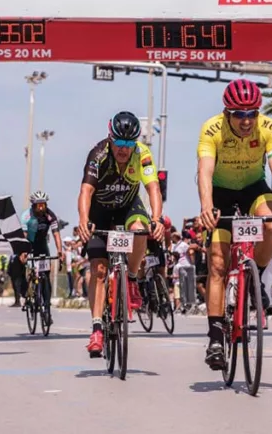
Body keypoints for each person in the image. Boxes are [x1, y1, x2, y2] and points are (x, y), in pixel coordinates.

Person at [196, 79, 272, 370]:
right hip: (220, 193)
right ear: (226, 113)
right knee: (218, 264)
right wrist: (206, 207)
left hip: (254, 188)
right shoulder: (212, 129)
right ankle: (215, 338)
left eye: (252, 113)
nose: (246, 120)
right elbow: (204, 172)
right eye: (239, 114)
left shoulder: (268, 127)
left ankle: (257, 278)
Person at [77, 112, 165, 358]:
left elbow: (153, 188)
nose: (124, 149)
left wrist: (157, 218)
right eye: (119, 142)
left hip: (127, 207)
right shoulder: (98, 155)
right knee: (99, 270)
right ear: (110, 138)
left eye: (129, 143)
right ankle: (97, 329)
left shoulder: (142, 154)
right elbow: (86, 191)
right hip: (100, 211)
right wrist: (83, 221)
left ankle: (132, 279)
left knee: (140, 230)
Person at [23, 191, 64, 324]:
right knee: (25, 268)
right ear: (33, 205)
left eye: (43, 205)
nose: (41, 208)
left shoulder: (50, 215)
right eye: (38, 205)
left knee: (46, 276)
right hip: (30, 245)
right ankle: (28, 293)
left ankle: (47, 308)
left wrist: (60, 251)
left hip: (42, 245)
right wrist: (23, 252)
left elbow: (56, 234)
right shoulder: (26, 216)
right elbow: (24, 237)